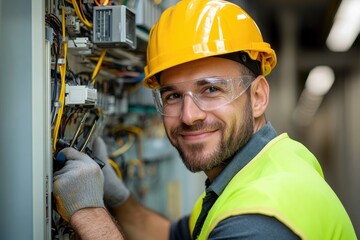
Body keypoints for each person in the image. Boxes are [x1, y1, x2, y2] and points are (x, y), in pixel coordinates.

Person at [53, 0, 357, 239]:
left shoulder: (258, 223)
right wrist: (116, 197)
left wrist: (90, 215)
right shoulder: (256, 172)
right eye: (172, 96)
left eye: (211, 89)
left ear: (258, 97)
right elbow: (171, 236)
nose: (189, 115)